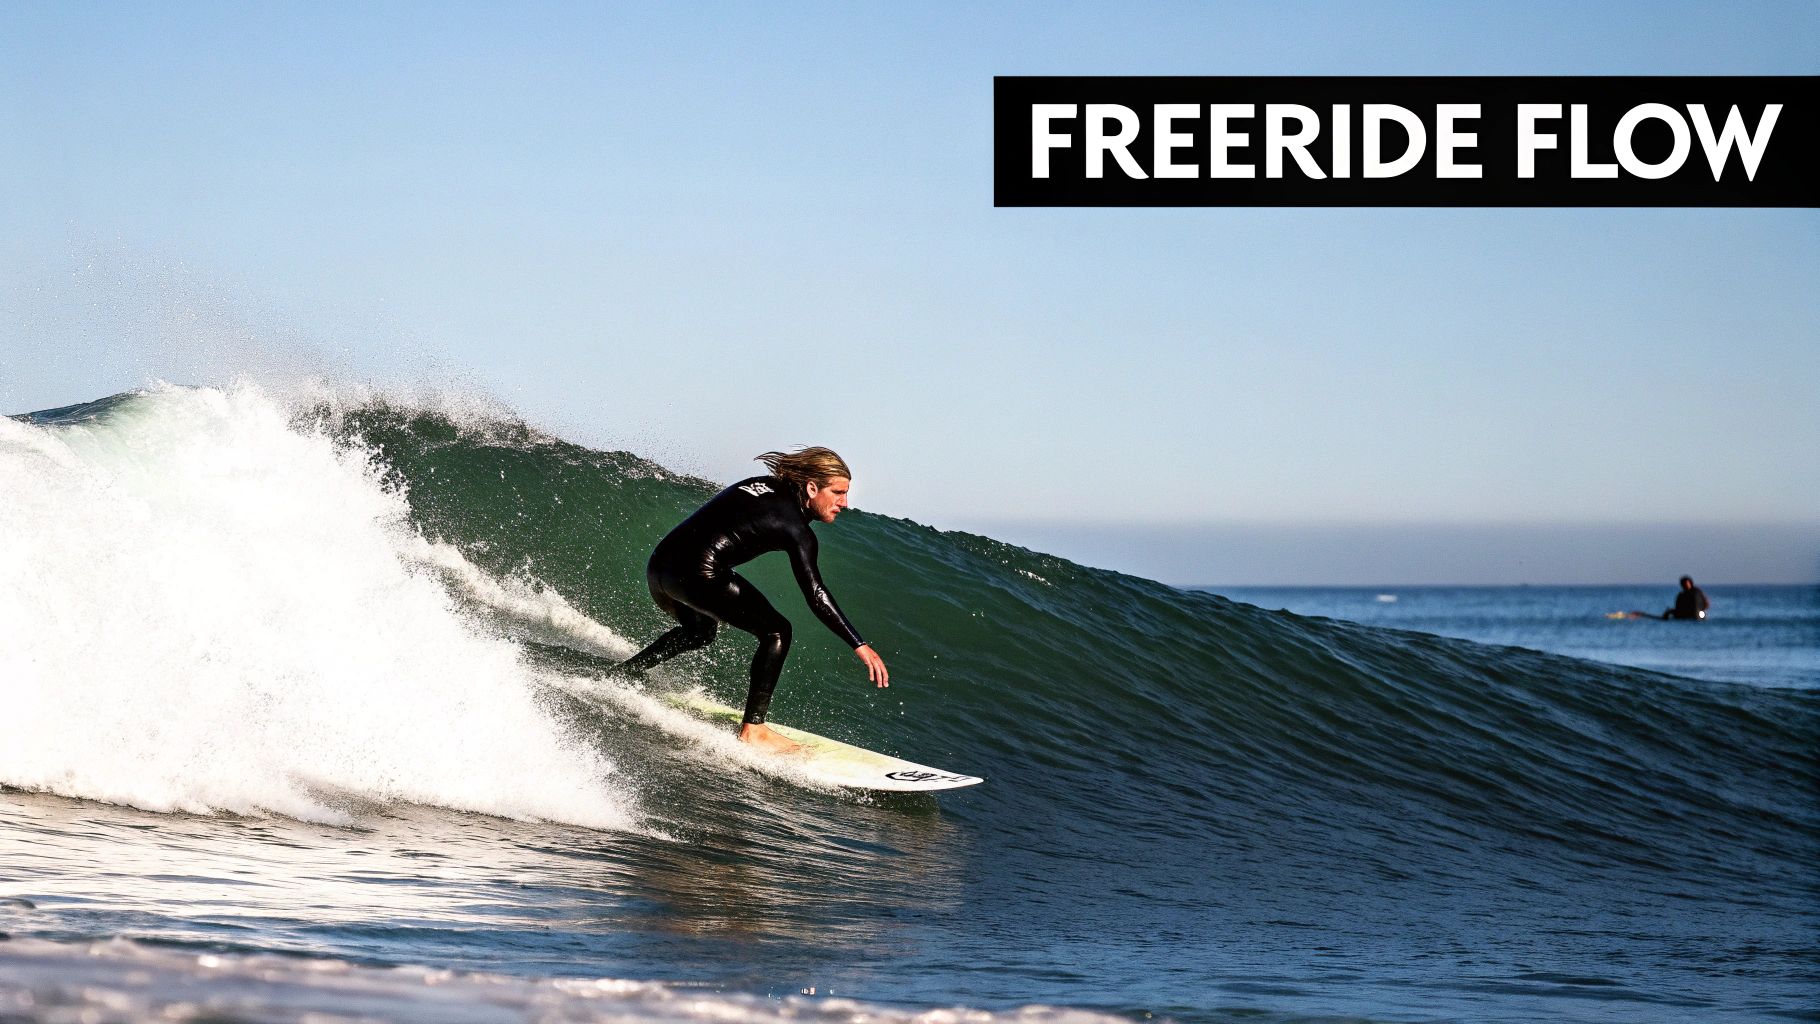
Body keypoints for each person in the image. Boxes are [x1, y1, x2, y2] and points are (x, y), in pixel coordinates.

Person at [614, 446, 888, 753]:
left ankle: (625, 672)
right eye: (837, 493)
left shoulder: (761, 485)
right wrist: (858, 644)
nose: (844, 503)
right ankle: (753, 729)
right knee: (777, 631)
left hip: (660, 568)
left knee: (700, 631)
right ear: (812, 488)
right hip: (698, 573)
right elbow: (815, 593)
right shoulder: (796, 528)